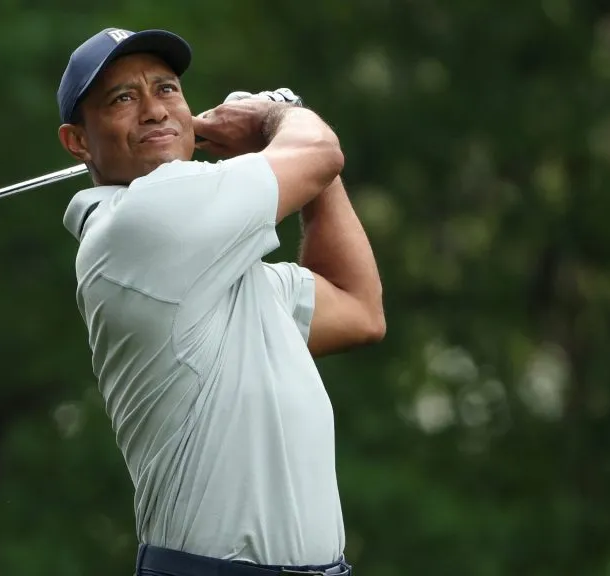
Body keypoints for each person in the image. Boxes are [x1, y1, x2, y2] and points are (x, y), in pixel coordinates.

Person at [56, 27, 385, 576]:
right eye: (122, 98)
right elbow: (321, 150)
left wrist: (296, 158)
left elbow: (358, 310)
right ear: (78, 142)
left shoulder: (224, 271)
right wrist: (274, 117)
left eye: (166, 90)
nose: (154, 112)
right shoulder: (140, 223)